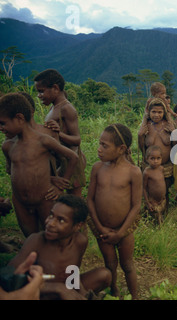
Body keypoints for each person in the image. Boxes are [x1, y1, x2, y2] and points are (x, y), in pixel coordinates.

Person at [0, 93, 79, 237]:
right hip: (20, 202)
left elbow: (72, 157)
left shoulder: (43, 140)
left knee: (52, 237)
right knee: (31, 239)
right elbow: (14, 172)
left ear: (19, 118)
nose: (1, 128)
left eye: (3, 123)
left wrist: (60, 185)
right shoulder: (8, 146)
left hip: (45, 199)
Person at [7, 194, 111, 300]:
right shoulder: (36, 241)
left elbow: (73, 272)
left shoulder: (80, 242)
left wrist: (81, 292)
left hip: (65, 289)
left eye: (61, 220)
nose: (50, 223)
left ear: (77, 226)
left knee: (105, 275)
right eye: (51, 215)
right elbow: (10, 277)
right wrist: (58, 288)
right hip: (39, 292)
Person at [87, 124, 142, 299]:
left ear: (121, 149)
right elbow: (90, 200)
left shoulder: (133, 172)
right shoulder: (97, 168)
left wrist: (120, 232)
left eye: (105, 145)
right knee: (110, 263)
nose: (99, 149)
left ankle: (134, 295)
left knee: (127, 265)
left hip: (124, 230)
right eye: (100, 144)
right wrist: (100, 228)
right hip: (101, 229)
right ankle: (114, 292)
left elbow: (136, 206)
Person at [34, 69, 87, 198]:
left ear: (55, 88)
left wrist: (58, 133)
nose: (39, 95)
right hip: (61, 160)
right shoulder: (54, 107)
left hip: (71, 161)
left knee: (74, 200)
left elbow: (77, 140)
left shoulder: (66, 109)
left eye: (41, 91)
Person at [138, 98, 176, 191]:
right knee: (151, 191)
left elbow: (175, 146)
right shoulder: (146, 126)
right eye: (153, 112)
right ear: (149, 112)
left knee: (165, 191)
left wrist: (174, 133)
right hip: (150, 167)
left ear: (164, 113)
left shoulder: (169, 125)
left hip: (167, 167)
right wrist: (140, 136)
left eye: (159, 112)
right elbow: (142, 147)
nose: (156, 115)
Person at [143, 145, 166, 225]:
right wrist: (148, 202)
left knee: (161, 214)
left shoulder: (161, 169)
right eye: (152, 158)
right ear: (147, 159)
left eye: (158, 158)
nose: (155, 161)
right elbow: (144, 188)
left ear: (161, 158)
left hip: (162, 199)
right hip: (153, 201)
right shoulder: (147, 172)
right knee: (155, 218)